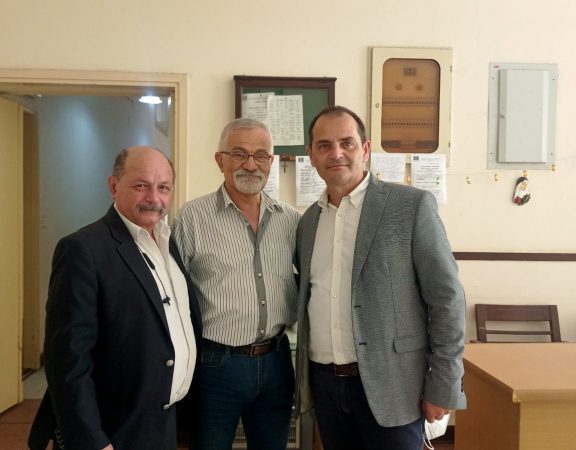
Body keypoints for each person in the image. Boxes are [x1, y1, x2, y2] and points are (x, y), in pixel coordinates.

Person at [295, 106, 467, 450]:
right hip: (326, 387)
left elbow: (447, 299)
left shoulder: (411, 206)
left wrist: (444, 383)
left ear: (366, 149)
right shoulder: (308, 222)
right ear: (311, 156)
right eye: (325, 145)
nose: (336, 153)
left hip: (394, 386)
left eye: (347, 143)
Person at [28, 146, 202, 450]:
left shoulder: (166, 242)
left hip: (161, 424)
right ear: (113, 186)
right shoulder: (83, 250)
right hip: (112, 431)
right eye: (141, 185)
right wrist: (92, 441)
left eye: (163, 187)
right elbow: (67, 360)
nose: (154, 198)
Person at [173, 118, 299, 450]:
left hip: (277, 361)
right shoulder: (192, 218)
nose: (251, 164)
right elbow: (171, 293)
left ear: (271, 162)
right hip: (216, 365)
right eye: (240, 154)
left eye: (261, 155)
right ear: (221, 160)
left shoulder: (290, 220)